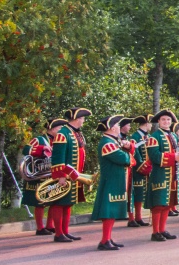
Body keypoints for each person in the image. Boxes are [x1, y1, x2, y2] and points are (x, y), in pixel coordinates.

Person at [91, 115, 136, 251]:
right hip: (110, 181)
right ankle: (104, 240)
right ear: (111, 127)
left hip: (114, 180)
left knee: (112, 212)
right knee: (109, 212)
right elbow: (125, 159)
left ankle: (108, 238)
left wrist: (128, 147)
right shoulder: (107, 143)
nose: (119, 127)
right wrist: (129, 154)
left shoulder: (112, 142)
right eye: (117, 125)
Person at [49, 107, 92, 243]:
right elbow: (57, 158)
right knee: (59, 204)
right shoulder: (63, 134)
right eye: (82, 118)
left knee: (68, 204)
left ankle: (65, 232)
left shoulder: (74, 133)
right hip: (63, 176)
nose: (83, 121)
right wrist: (61, 175)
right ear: (77, 119)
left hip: (73, 176)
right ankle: (58, 233)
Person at [146, 109, 179, 241]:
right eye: (164, 120)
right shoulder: (154, 137)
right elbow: (154, 156)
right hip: (160, 175)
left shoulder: (174, 136)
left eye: (168, 120)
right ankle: (155, 232)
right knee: (158, 205)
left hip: (173, 175)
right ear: (158, 122)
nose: (166, 122)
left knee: (167, 204)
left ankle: (162, 229)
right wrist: (173, 157)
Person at [21, 117, 65, 236]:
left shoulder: (58, 140)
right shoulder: (39, 139)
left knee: (53, 199)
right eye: (60, 128)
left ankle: (49, 225)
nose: (61, 130)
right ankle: (40, 228)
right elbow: (26, 149)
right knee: (39, 202)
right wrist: (41, 149)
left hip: (51, 174)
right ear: (53, 128)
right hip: (39, 176)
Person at [128, 114, 153, 228]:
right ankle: (132, 218)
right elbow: (135, 155)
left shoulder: (147, 136)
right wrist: (143, 167)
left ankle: (139, 217)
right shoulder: (135, 137)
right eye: (150, 123)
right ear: (146, 123)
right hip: (136, 170)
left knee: (140, 194)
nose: (151, 125)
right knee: (134, 194)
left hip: (145, 170)